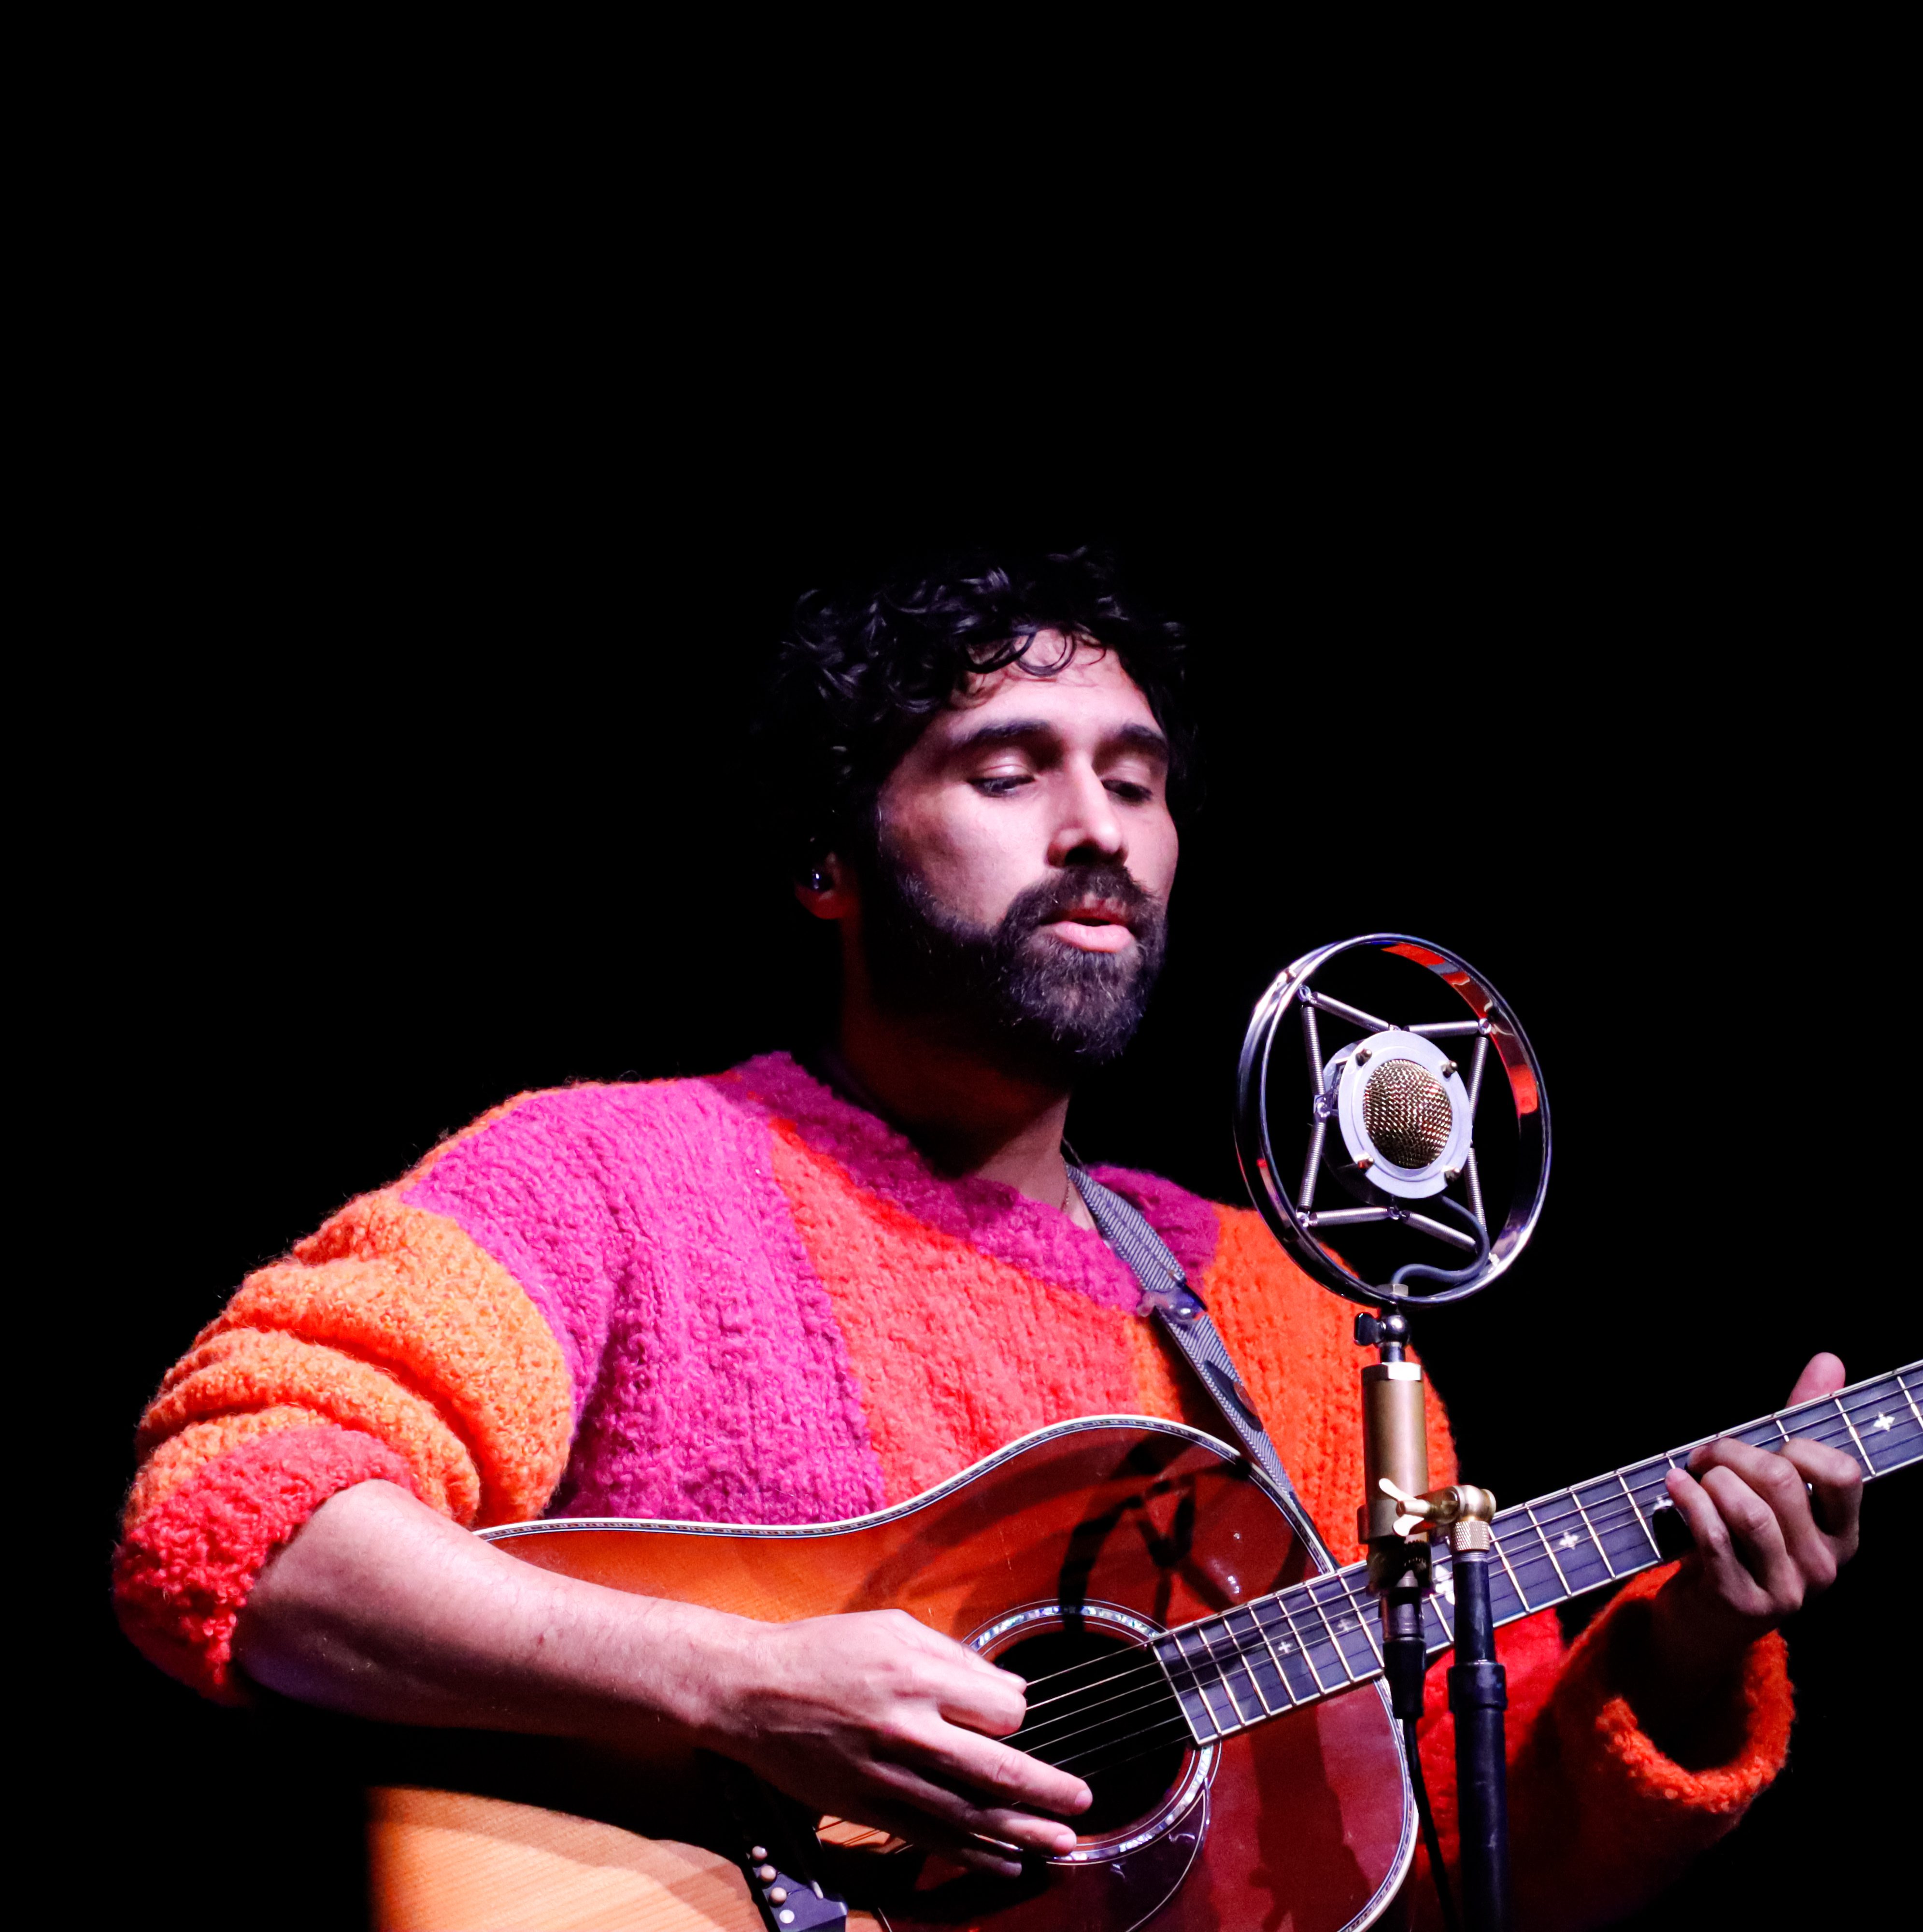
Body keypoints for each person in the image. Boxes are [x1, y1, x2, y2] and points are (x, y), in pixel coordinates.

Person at [114, 550, 1861, 1928]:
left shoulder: (1287, 1305)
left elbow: (1411, 1850)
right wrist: (739, 1685)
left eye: (1138, 782)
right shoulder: (614, 1177)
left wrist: (1688, 1647)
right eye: (1010, 771)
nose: (1099, 831)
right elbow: (239, 1520)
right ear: (829, 860)